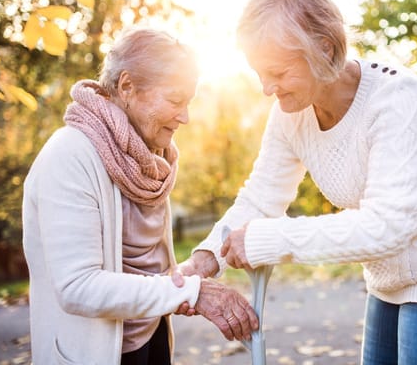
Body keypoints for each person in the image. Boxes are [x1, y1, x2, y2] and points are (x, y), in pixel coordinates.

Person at [177, 0, 417, 365]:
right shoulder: (290, 114)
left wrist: (269, 239)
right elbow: (262, 197)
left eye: (277, 72)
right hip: (388, 281)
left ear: (323, 48)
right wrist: (207, 256)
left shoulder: (399, 102)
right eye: (258, 72)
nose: (266, 88)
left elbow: (387, 227)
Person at [22, 26, 258, 365]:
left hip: (152, 335)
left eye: (188, 102)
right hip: (96, 354)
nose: (185, 117)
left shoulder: (150, 156)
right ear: (127, 87)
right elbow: (78, 286)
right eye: (175, 100)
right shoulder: (69, 155)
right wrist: (191, 292)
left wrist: (193, 272)